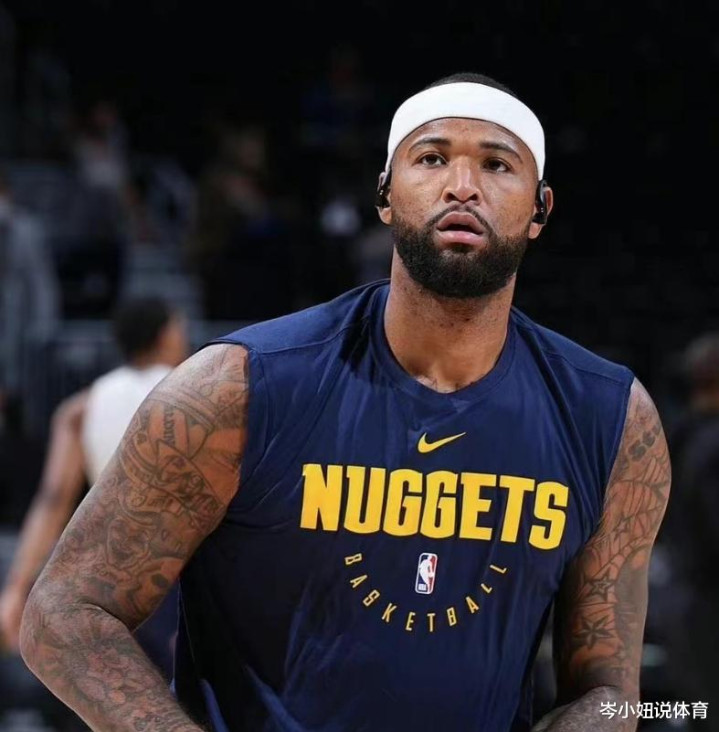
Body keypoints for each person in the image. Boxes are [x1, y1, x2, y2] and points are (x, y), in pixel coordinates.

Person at [19, 72, 670, 732]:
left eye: (497, 165)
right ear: (385, 194)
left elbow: (608, 693)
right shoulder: (239, 388)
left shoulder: (610, 419)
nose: (462, 186)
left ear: (540, 209)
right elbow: (64, 614)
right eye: (431, 158)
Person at [0, 296, 188, 681]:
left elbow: (52, 503)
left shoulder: (81, 408)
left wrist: (16, 588)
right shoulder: (198, 396)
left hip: (112, 574)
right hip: (184, 567)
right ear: (166, 335)